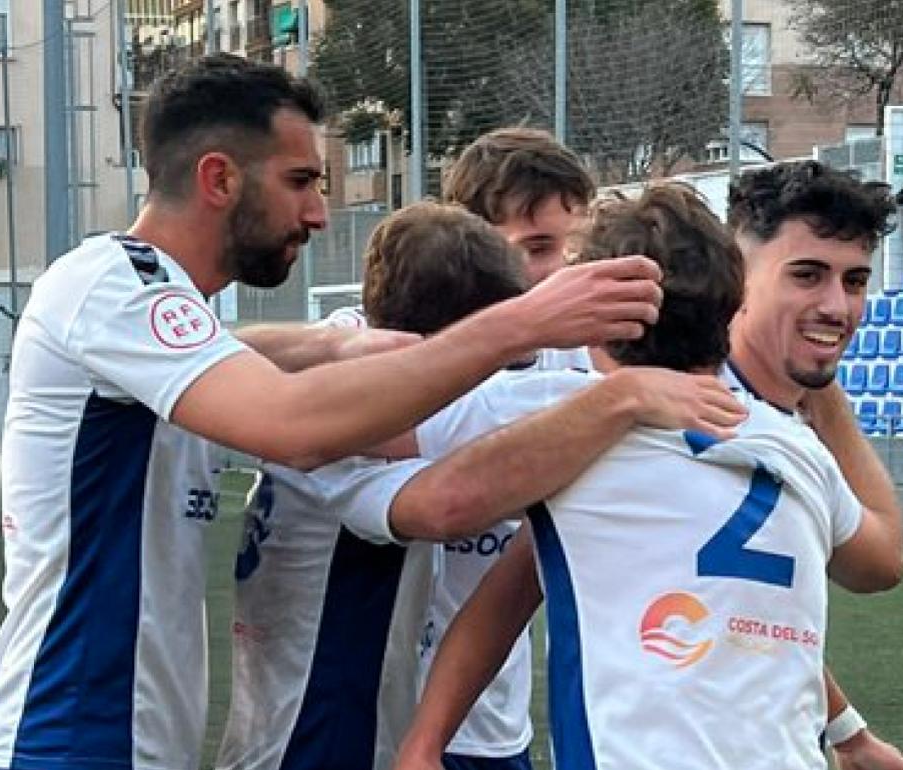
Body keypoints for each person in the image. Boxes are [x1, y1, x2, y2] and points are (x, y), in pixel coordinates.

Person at [0, 55, 675, 770]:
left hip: (120, 745)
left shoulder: (165, 316)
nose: (319, 213)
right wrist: (522, 328)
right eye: (299, 181)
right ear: (218, 179)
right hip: (63, 741)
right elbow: (294, 427)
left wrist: (332, 346)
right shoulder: (114, 282)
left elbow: (235, 353)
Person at [395, 176, 903, 770]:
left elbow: (485, 581)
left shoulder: (570, 432)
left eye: (854, 281)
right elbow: (873, 565)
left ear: (600, 322)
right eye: (807, 274)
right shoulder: (798, 449)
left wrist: (423, 742)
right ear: (735, 297)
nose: (835, 305)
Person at [213, 201, 737, 770]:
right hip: (321, 730)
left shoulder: (341, 373)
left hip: (348, 723)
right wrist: (623, 394)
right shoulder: (349, 438)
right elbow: (443, 503)